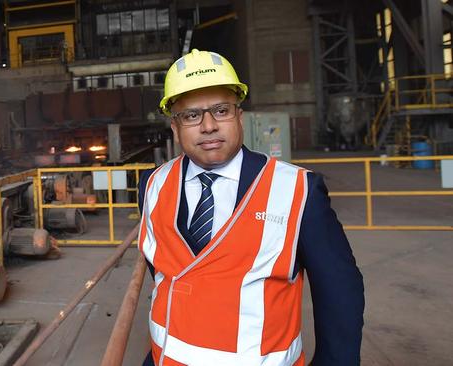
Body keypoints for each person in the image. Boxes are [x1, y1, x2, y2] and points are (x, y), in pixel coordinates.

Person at [137, 49, 364, 366]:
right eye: (191, 115)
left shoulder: (298, 191)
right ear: (174, 127)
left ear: (239, 116)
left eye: (220, 110)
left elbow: (339, 292)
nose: (208, 126)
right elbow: (163, 270)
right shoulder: (152, 185)